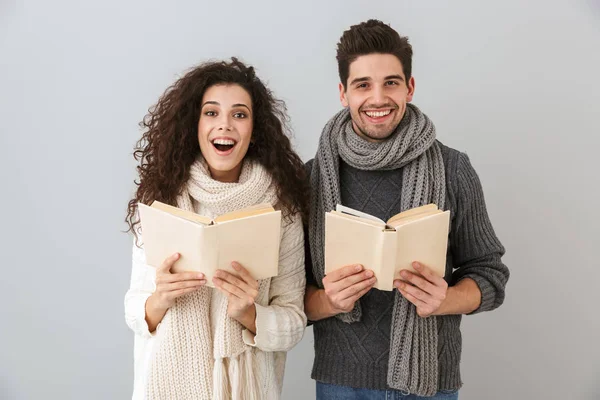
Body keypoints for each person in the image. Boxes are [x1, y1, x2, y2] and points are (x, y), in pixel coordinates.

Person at [304, 19, 510, 399]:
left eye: (391, 83)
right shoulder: (312, 178)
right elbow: (289, 297)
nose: (378, 98)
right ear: (343, 93)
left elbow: (490, 275)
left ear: (409, 88)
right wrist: (329, 300)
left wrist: (445, 298)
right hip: (341, 382)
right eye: (363, 85)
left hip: (430, 382)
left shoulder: (452, 168)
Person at [124, 58, 308, 400]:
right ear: (194, 124)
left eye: (239, 114)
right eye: (211, 113)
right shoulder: (160, 199)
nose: (225, 125)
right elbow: (135, 311)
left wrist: (250, 313)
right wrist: (159, 299)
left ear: (255, 130)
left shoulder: (282, 210)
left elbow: (294, 322)